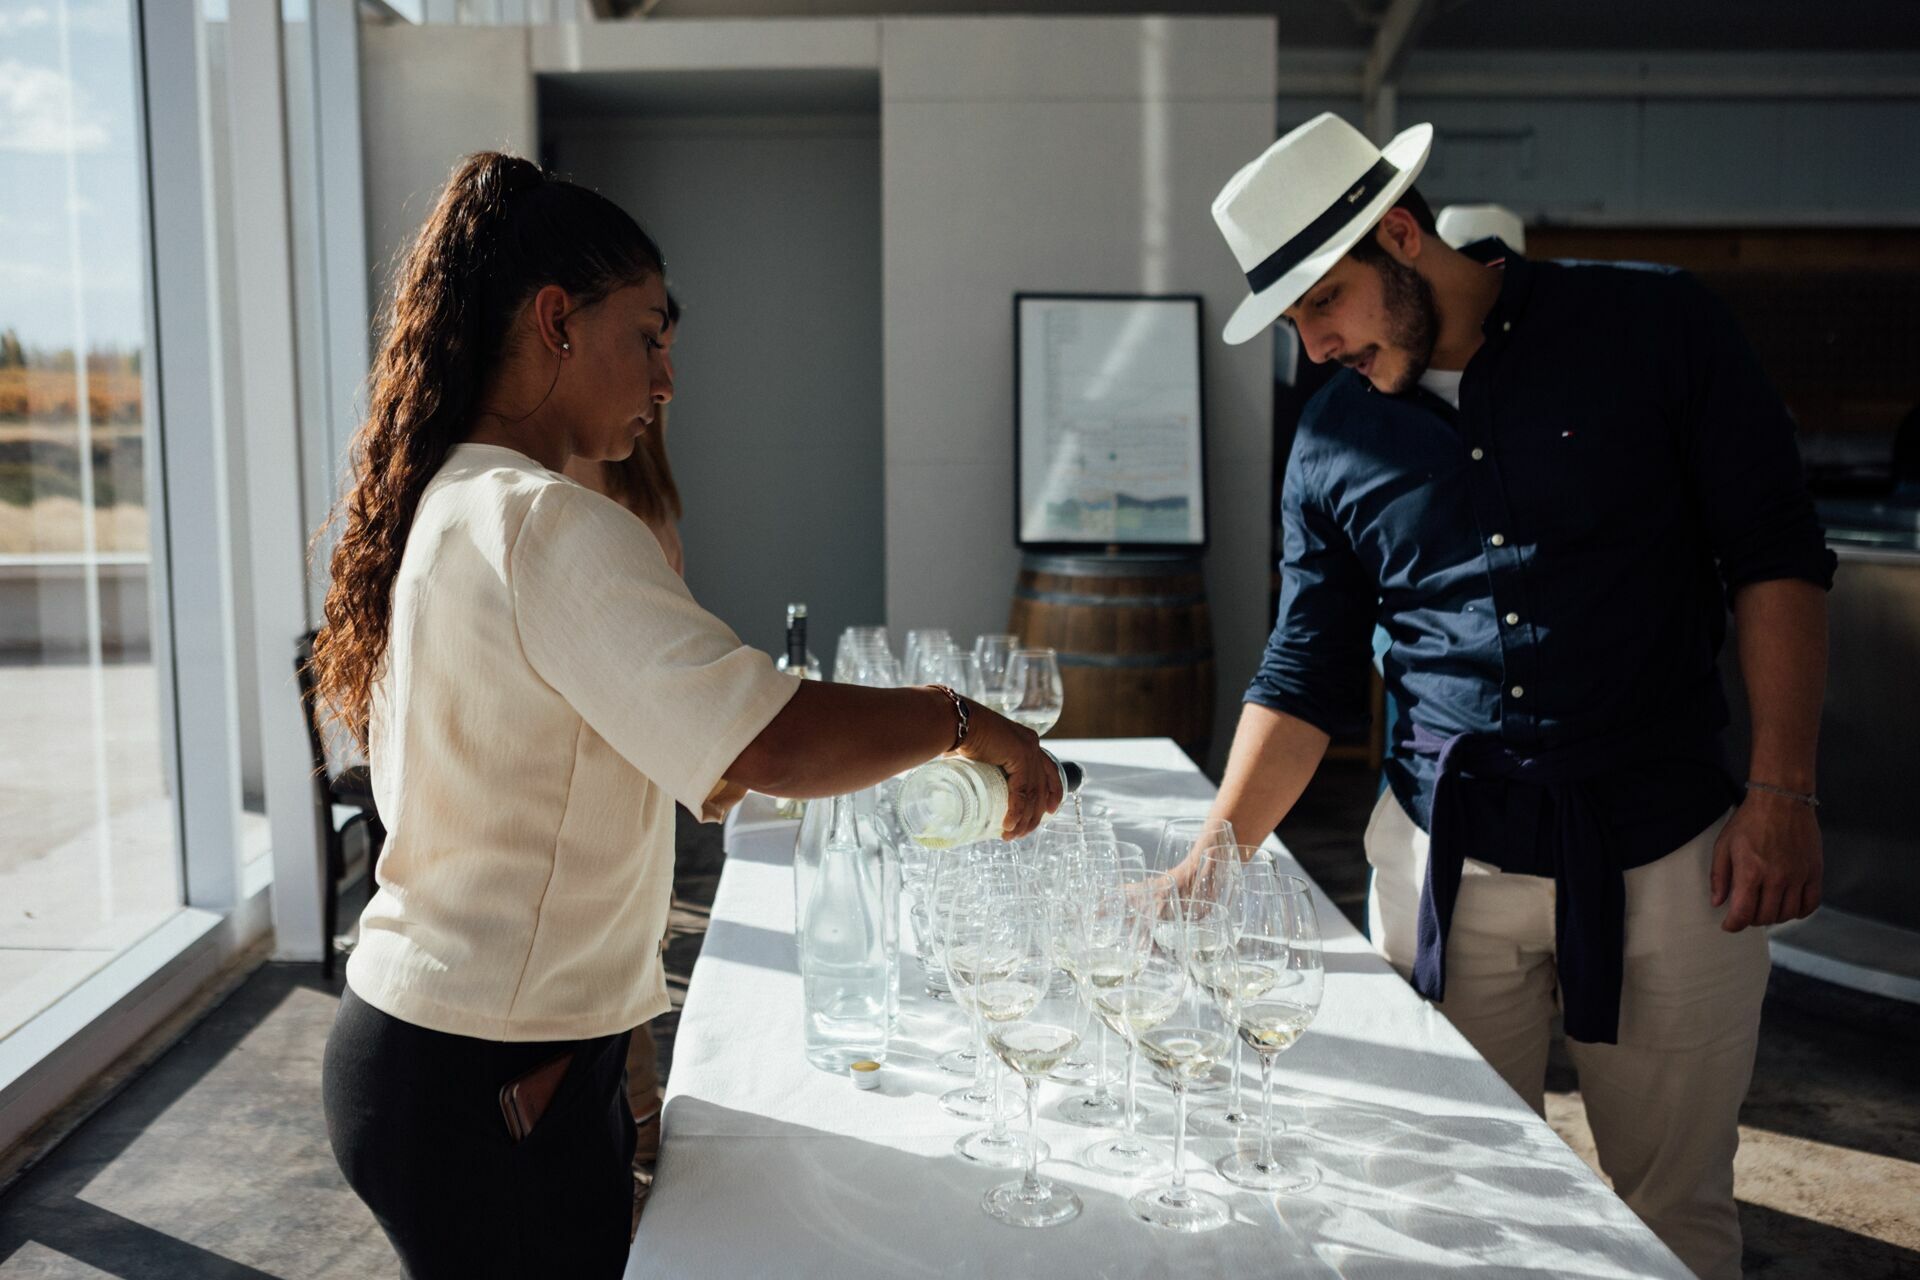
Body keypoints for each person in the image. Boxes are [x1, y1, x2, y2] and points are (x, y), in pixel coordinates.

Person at [313, 151, 1061, 1279]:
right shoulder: (543, 521)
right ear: (557, 320)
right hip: (490, 1073)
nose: (668, 380)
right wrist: (964, 720)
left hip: (438, 1052)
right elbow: (768, 738)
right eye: (649, 336)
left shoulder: (461, 492)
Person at [1203, 113, 1832, 1280]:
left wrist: (1783, 788)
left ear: (1400, 233)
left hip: (1672, 854)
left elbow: (1776, 555)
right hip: (1442, 857)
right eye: (1292, 319)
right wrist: (1213, 854)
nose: (1314, 344)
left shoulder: (1656, 324)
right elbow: (1304, 668)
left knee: (1673, 1212)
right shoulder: (1329, 438)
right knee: (1441, 1204)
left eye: (1323, 301)